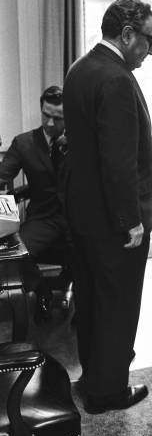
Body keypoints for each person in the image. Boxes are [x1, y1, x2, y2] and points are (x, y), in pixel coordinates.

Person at [63, 0, 152, 414]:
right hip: (111, 221)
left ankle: (91, 379)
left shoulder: (80, 69)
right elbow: (118, 160)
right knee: (117, 305)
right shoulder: (116, 79)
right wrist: (130, 220)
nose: (151, 50)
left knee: (91, 300)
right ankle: (109, 392)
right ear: (127, 34)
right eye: (148, 40)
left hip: (82, 215)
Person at [0, 85, 71, 322]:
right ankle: (43, 291)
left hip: (79, 217)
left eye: (58, 117)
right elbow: (2, 178)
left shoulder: (83, 142)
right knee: (18, 253)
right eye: (46, 115)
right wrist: (6, 223)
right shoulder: (24, 143)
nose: (50, 123)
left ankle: (88, 306)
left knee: (97, 250)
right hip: (44, 217)